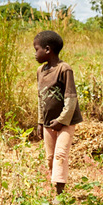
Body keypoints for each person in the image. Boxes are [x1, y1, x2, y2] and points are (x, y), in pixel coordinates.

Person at [34, 30, 81, 195]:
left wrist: (62, 120)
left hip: (66, 122)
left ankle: (59, 194)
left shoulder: (64, 69)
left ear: (47, 50)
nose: (35, 54)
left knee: (60, 155)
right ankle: (53, 189)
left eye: (36, 49)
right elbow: (41, 99)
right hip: (48, 122)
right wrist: (40, 122)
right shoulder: (40, 71)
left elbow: (71, 97)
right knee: (50, 157)